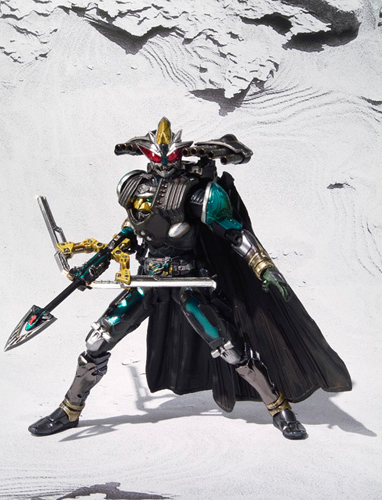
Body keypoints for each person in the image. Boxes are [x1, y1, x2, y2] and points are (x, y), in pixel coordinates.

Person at [28, 118, 351, 439]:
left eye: (170, 157)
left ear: (180, 155)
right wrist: (97, 263)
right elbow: (130, 232)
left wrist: (263, 266)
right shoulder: (134, 186)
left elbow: (235, 234)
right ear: (146, 155)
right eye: (156, 157)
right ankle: (70, 409)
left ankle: (278, 407)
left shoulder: (199, 193)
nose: (163, 164)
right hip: (148, 280)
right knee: (97, 340)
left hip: (188, 281)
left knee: (229, 348)